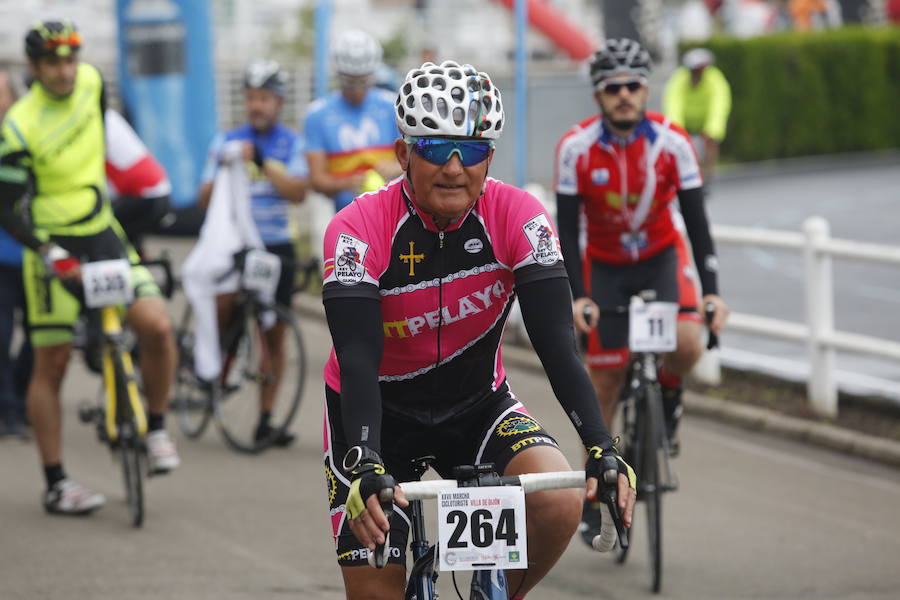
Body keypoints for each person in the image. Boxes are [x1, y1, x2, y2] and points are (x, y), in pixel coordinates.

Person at [321, 60, 637, 599]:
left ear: (488, 158)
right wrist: (368, 459)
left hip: (477, 406)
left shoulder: (520, 217)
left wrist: (602, 447)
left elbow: (557, 344)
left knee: (558, 502)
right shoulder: (356, 229)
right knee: (376, 592)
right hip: (376, 412)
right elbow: (356, 355)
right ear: (402, 154)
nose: (452, 167)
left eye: (469, 151)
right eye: (433, 148)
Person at [0, 21, 180, 515]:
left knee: (158, 327)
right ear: (34, 67)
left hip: (102, 234)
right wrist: (48, 251)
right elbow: (7, 207)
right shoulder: (18, 125)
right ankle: (57, 482)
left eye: (71, 58)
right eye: (54, 61)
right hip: (53, 251)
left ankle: (157, 426)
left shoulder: (94, 84)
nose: (65, 70)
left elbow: (102, 147)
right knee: (51, 362)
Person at [554, 38, 729, 536]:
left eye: (633, 86)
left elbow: (697, 222)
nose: (624, 95)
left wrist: (712, 291)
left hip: (660, 258)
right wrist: (578, 295)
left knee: (689, 341)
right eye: (613, 88)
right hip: (605, 266)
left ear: (646, 89)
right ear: (598, 94)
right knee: (603, 381)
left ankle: (668, 398)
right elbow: (567, 229)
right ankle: (594, 486)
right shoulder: (575, 148)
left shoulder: (674, 143)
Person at [198, 60, 308, 446]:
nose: (257, 106)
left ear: (278, 102)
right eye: (251, 98)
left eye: (264, 98)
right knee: (223, 307)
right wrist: (226, 164)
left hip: (276, 245)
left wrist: (261, 163)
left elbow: (297, 191)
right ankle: (214, 365)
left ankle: (265, 418)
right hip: (235, 243)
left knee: (274, 334)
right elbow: (203, 198)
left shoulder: (292, 142)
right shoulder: (226, 140)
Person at [304, 30, 402, 213]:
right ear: (338, 75)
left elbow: (416, 160)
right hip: (347, 216)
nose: (357, 90)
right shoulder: (317, 114)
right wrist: (346, 183)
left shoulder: (394, 105)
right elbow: (316, 181)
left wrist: (396, 167)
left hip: (393, 212)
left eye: (363, 81)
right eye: (350, 82)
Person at [0, 65, 31, 438]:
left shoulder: (28, 136)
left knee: (45, 339)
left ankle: (22, 397)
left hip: (37, 255)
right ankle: (8, 408)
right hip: (3, 258)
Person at [105, 108, 172, 257]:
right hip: (158, 194)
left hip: (145, 198)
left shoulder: (95, 121)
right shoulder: (110, 117)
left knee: (100, 231)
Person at [662, 47, 732, 182]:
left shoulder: (716, 79)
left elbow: (719, 105)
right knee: (678, 145)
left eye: (700, 71)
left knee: (711, 143)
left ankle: (706, 176)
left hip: (705, 121)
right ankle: (681, 174)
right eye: (694, 72)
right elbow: (673, 105)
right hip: (685, 122)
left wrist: (712, 129)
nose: (697, 76)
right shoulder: (678, 79)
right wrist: (678, 130)